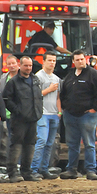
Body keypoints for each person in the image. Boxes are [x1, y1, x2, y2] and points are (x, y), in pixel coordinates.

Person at [59, 50, 97, 180]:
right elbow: (63, 93)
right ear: (73, 62)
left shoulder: (93, 75)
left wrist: (94, 109)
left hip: (88, 115)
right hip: (70, 115)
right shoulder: (69, 76)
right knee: (72, 144)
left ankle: (91, 170)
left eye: (82, 59)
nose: (80, 61)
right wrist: (65, 108)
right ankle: (71, 170)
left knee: (89, 143)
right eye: (77, 60)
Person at [2, 56, 43, 183]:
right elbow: (7, 100)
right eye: (26, 66)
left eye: (30, 66)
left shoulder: (35, 80)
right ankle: (13, 172)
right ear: (20, 65)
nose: (29, 68)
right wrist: (18, 111)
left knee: (30, 145)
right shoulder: (13, 82)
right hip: (19, 120)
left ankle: (27, 172)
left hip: (33, 118)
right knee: (16, 145)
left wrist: (38, 112)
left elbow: (38, 97)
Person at [30, 51, 62, 179]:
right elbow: (35, 95)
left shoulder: (56, 78)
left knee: (50, 143)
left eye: (54, 61)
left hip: (54, 114)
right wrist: (49, 89)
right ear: (43, 61)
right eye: (49, 60)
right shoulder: (38, 77)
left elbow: (58, 97)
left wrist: (59, 112)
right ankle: (33, 169)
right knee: (41, 141)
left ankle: (44, 169)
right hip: (42, 114)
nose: (52, 63)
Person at [0, 55, 19, 163]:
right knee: (9, 141)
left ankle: (18, 164)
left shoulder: (23, 77)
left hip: (19, 115)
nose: (11, 66)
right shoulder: (3, 79)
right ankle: (10, 163)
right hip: (6, 114)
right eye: (9, 64)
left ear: (18, 64)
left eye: (13, 63)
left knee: (18, 141)